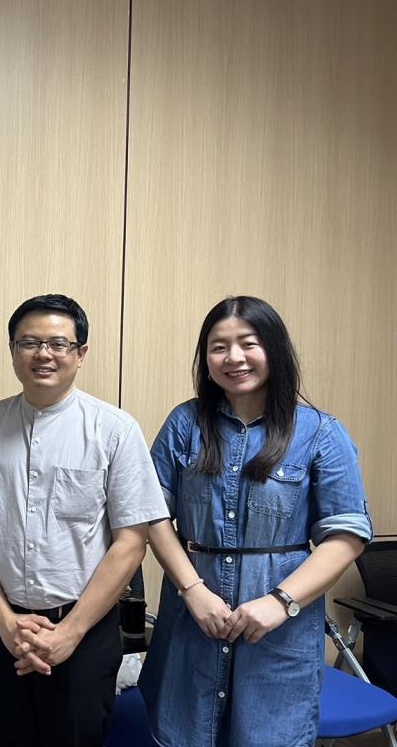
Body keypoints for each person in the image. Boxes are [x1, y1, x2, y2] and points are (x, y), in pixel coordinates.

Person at [139, 296, 372, 747]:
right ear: (206, 360)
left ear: (275, 349)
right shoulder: (185, 423)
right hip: (192, 623)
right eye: (218, 347)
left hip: (279, 634)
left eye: (248, 343)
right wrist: (193, 590)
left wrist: (280, 602)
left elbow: (346, 535)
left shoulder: (321, 432)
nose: (234, 357)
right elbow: (151, 514)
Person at [0, 294, 168, 746]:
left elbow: (132, 541)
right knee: (1, 738)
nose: (43, 354)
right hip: (0, 624)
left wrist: (70, 632)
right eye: (29, 342)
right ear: (13, 350)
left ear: (80, 353)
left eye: (58, 343)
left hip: (83, 629)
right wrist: (4, 621)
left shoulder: (115, 430)